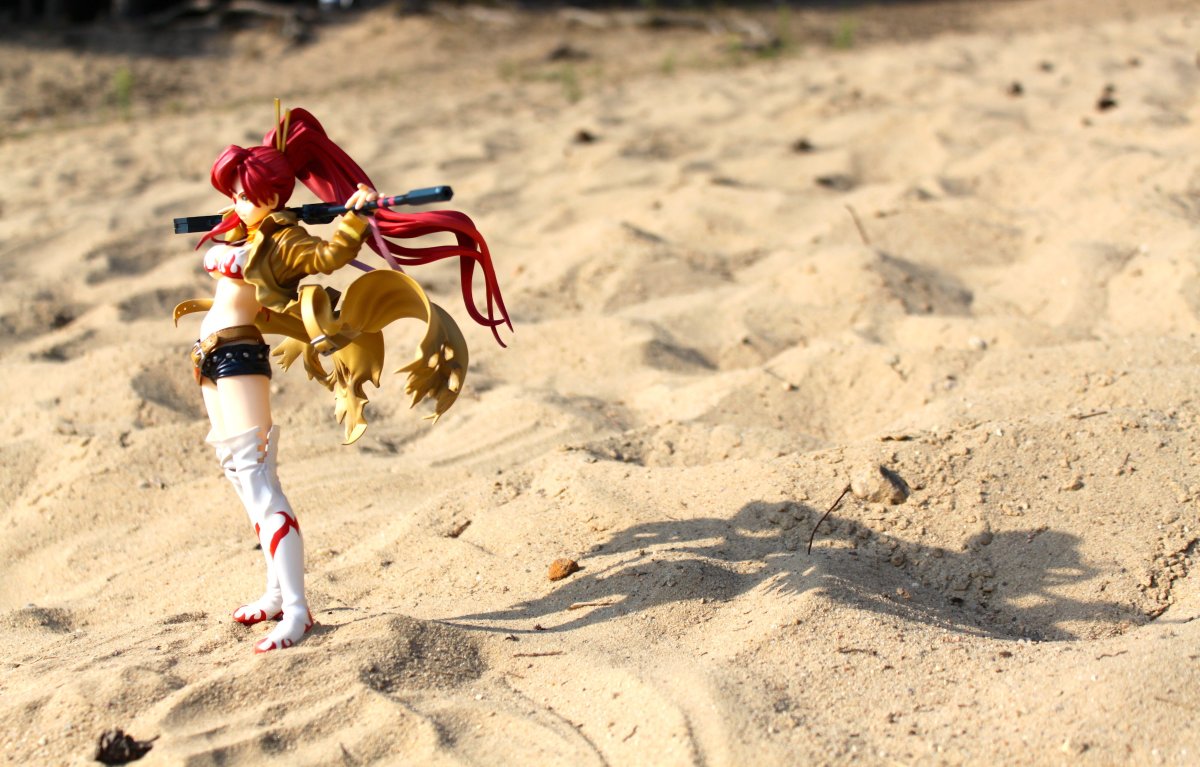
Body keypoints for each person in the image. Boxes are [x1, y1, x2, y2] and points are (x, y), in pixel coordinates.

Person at [175, 102, 509, 653]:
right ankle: (275, 593)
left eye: (244, 194)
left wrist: (355, 215)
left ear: (270, 197)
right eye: (232, 194)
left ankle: (298, 609)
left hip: (238, 355)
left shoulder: (284, 241)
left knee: (257, 476)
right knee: (237, 472)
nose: (235, 203)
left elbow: (330, 255)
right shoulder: (247, 228)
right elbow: (242, 219)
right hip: (207, 354)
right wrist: (255, 189)